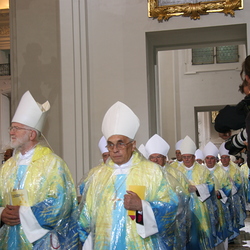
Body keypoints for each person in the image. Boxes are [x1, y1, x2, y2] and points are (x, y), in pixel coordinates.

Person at [78, 101, 181, 249]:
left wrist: (142, 206)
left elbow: (170, 208)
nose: (115, 149)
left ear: (133, 145)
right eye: (110, 144)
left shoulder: (152, 172)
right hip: (104, 244)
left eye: (120, 143)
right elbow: (86, 216)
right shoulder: (98, 175)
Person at [0, 91, 79, 249]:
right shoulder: (8, 166)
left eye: (16, 128)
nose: (11, 132)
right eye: (11, 127)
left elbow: (61, 204)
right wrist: (2, 212)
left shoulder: (53, 164)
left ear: (32, 134)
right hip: (10, 239)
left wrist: (23, 214)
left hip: (41, 242)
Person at [176, 135, 216, 250]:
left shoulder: (203, 170)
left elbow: (211, 186)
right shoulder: (177, 171)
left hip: (200, 209)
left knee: (198, 236)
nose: (186, 159)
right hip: (183, 209)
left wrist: (197, 188)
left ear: (194, 157)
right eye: (184, 157)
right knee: (184, 235)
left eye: (189, 157)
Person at [203, 141, 232, 249]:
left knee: (220, 231)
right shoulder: (201, 171)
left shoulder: (222, 173)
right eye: (207, 158)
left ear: (216, 159)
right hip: (204, 208)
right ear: (205, 159)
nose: (209, 160)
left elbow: (228, 188)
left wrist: (218, 193)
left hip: (220, 207)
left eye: (212, 158)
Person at [219, 142, 246, 241]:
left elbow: (239, 182)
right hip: (221, 198)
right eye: (223, 158)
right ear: (220, 159)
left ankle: (231, 236)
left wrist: (232, 184)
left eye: (226, 157)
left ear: (229, 158)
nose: (224, 159)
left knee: (232, 216)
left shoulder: (235, 169)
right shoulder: (218, 168)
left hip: (233, 198)